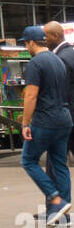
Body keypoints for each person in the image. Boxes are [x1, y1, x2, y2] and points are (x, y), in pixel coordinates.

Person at [19, 24, 72, 227]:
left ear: (32, 42)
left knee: (28, 160)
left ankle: (56, 200)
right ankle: (64, 214)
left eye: (25, 43)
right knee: (60, 164)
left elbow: (31, 95)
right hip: (64, 118)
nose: (26, 47)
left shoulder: (36, 63)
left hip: (46, 120)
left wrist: (25, 123)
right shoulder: (57, 60)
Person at [44, 21, 74, 161]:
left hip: (67, 117)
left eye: (46, 36)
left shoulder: (61, 59)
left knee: (56, 161)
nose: (44, 40)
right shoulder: (70, 53)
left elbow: (62, 91)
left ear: (55, 36)